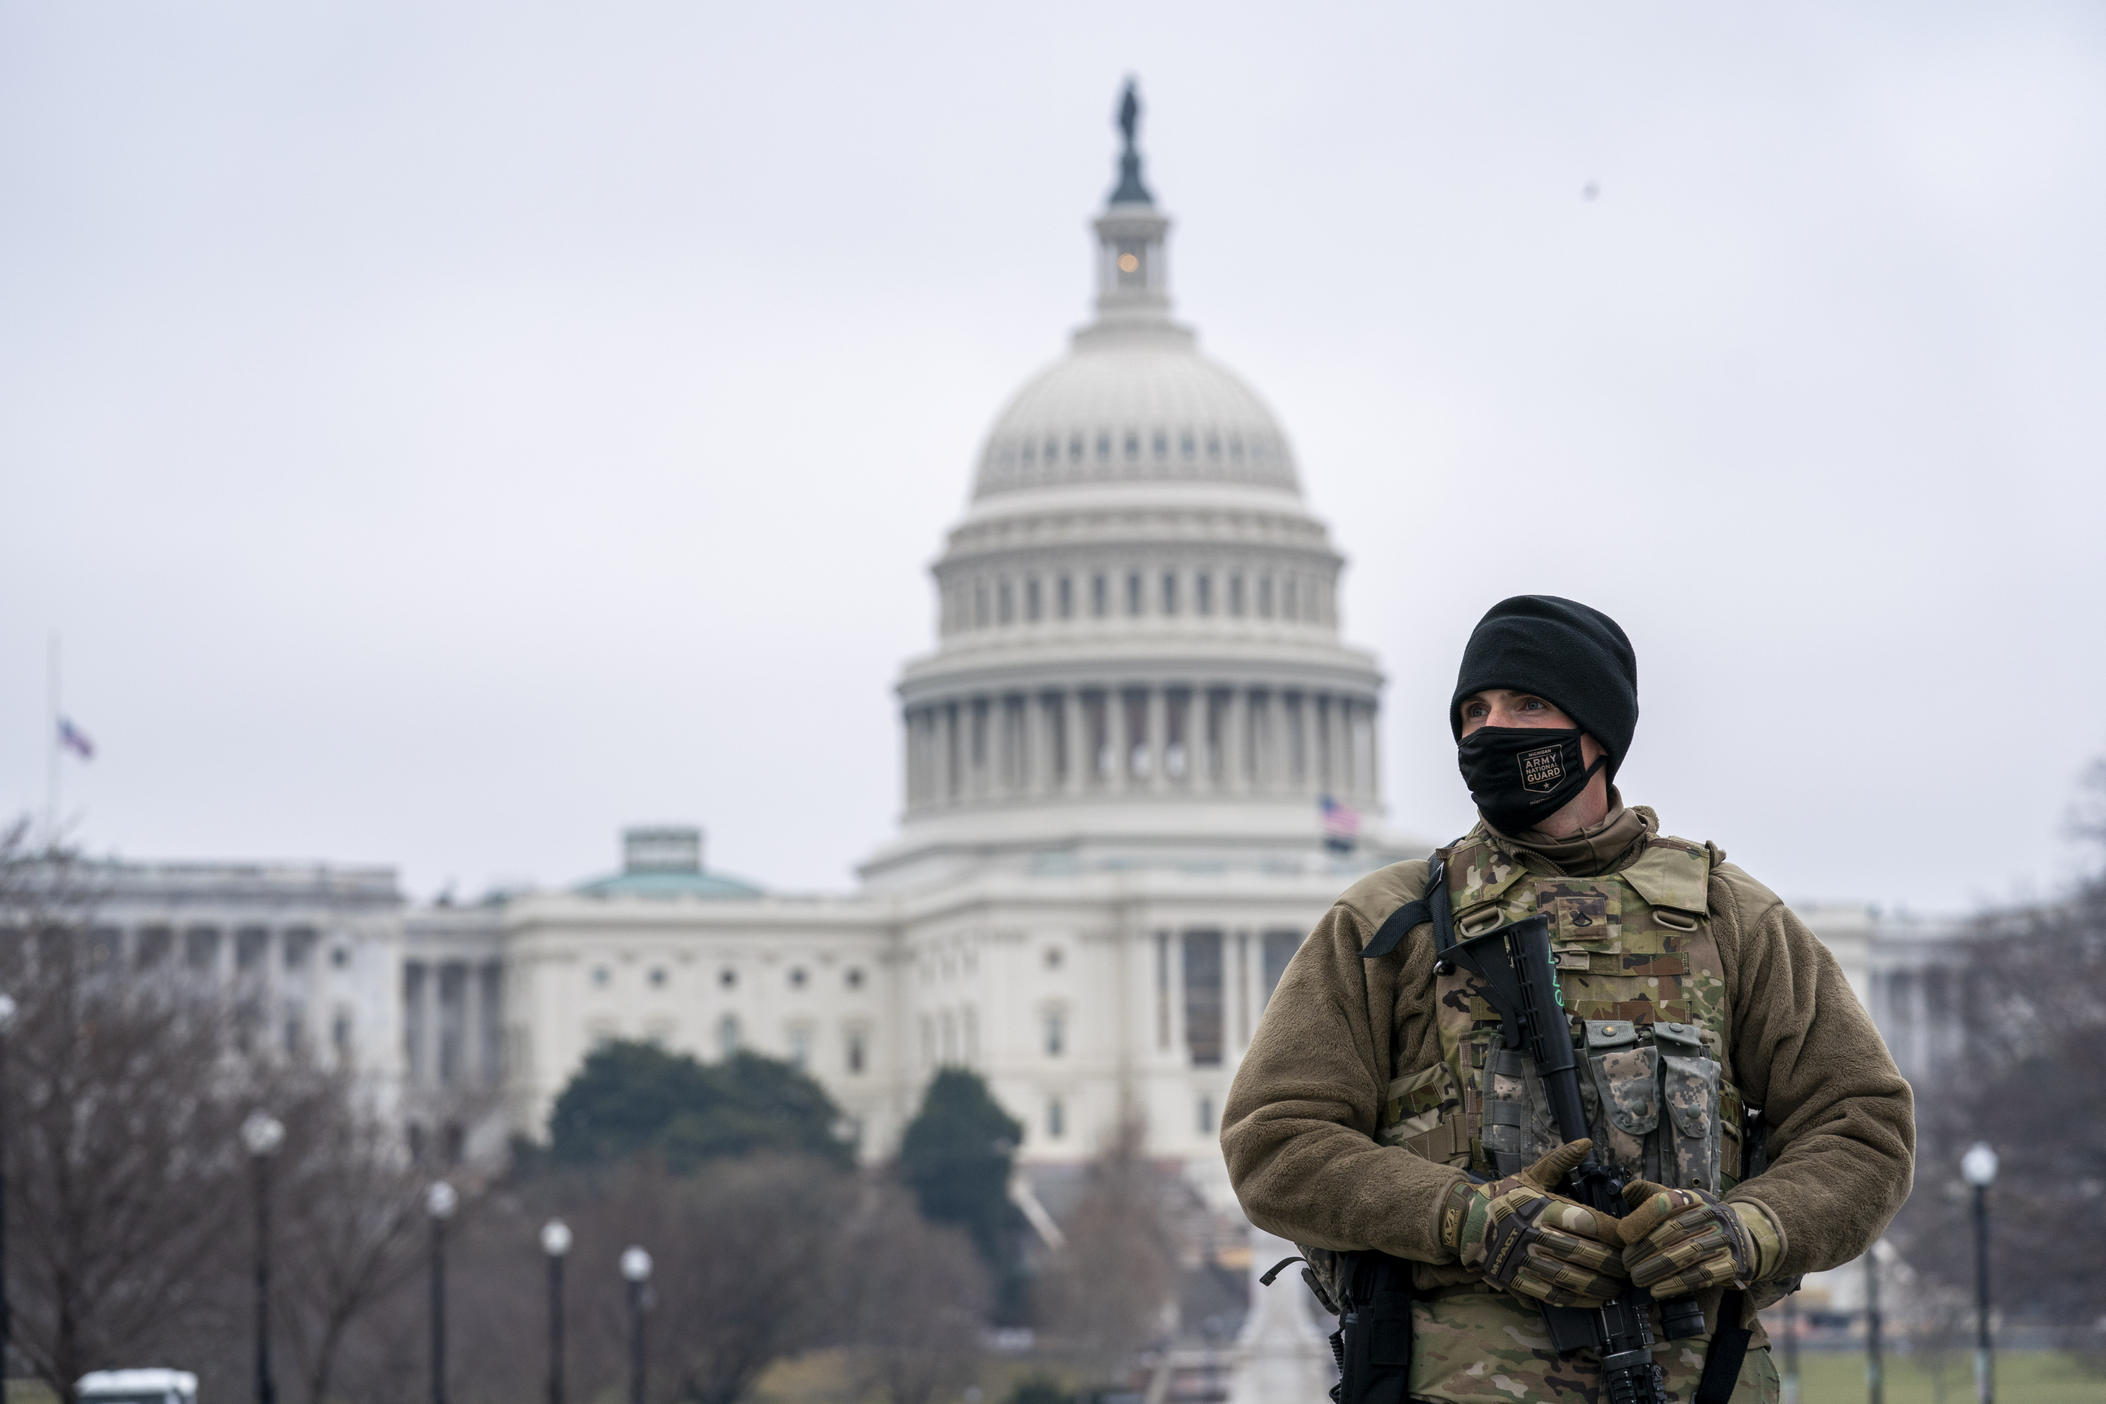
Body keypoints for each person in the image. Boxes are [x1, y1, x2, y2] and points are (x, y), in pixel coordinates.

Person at [1221, 595, 1914, 1403]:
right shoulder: (1389, 922)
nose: (1489, 730)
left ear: (1596, 733)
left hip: (1698, 1375)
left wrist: (1746, 1228)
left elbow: (1862, 1124)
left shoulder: (1731, 917)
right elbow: (1274, 1140)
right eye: (1472, 711)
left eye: (1526, 704)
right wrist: (1465, 1217)